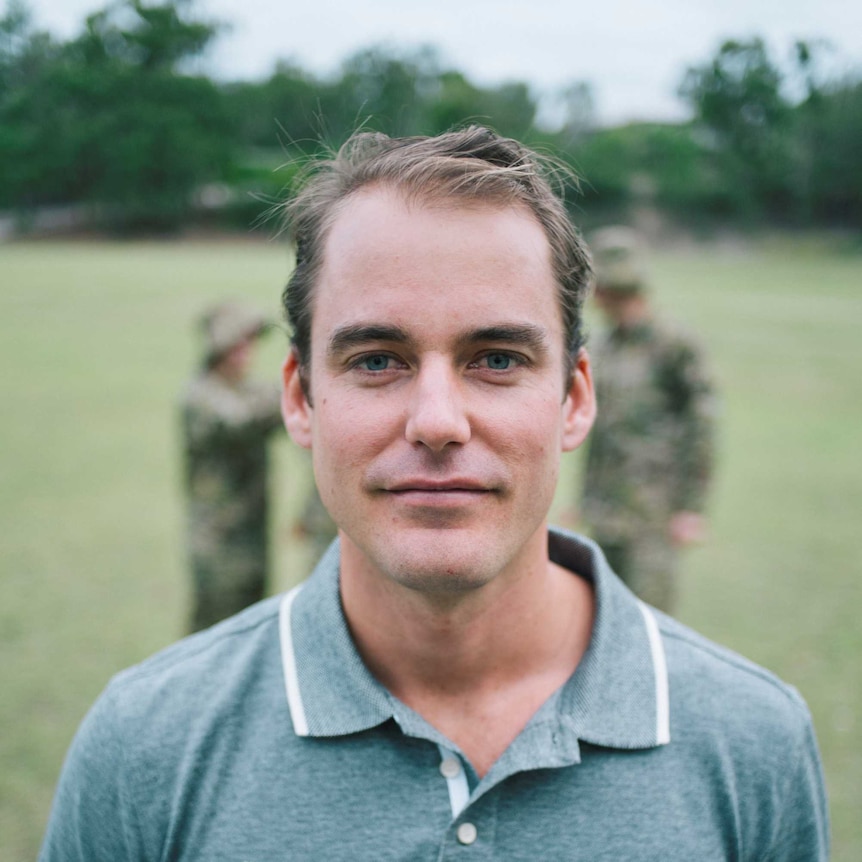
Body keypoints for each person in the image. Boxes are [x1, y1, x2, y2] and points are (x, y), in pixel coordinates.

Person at [41, 128, 828, 860]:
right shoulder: (144, 744)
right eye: (378, 360)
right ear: (301, 399)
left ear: (576, 399)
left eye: (497, 358)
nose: (438, 422)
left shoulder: (752, 743)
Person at [581, 226, 717, 613]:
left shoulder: (673, 344)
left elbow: (702, 425)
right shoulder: (605, 345)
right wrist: (586, 499)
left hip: (655, 512)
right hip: (608, 512)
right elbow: (600, 429)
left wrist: (692, 508)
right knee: (606, 616)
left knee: (651, 621)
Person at [179, 301, 283, 632]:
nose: (246, 352)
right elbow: (242, 421)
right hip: (219, 539)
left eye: (250, 343)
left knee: (250, 629)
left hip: (252, 532)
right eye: (238, 343)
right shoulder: (201, 396)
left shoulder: (247, 388)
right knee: (215, 630)